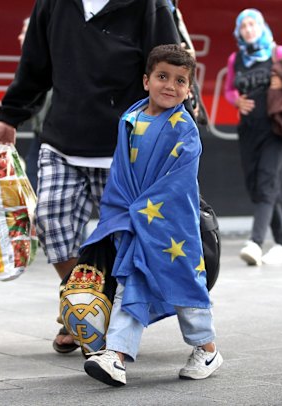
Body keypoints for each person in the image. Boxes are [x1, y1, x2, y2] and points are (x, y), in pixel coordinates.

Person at [0, 0, 180, 353]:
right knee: (50, 220)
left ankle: (85, 312)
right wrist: (9, 117)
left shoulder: (148, 6)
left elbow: (170, 69)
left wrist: (172, 134)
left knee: (121, 244)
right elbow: (34, 66)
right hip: (63, 139)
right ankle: (86, 305)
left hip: (125, 146)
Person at [81, 44, 222, 387]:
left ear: (189, 90)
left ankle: (208, 349)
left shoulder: (185, 130)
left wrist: (140, 211)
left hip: (171, 224)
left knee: (184, 285)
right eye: (162, 76)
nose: (170, 86)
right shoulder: (129, 120)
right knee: (131, 282)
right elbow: (121, 174)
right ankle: (116, 356)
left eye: (180, 80)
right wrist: (120, 214)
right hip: (135, 221)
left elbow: (179, 182)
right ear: (146, 80)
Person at [223, 8, 282, 266]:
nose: (248, 30)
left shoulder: (279, 53)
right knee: (258, 186)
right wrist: (237, 101)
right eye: (244, 26)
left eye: (253, 24)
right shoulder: (236, 59)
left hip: (276, 130)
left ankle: (255, 242)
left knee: (266, 183)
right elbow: (229, 89)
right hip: (249, 130)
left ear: (262, 26)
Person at [17, 16, 51, 191]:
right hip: (40, 138)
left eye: (24, 33)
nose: (20, 37)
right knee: (31, 189)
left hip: (56, 141)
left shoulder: (53, 65)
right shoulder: (31, 67)